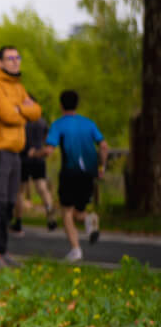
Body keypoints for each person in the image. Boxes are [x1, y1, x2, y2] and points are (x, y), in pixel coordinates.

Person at [0, 46, 40, 266]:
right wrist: (21, 110)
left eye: (18, 57)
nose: (15, 62)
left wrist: (19, 110)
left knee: (9, 202)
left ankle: (2, 249)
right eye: (10, 58)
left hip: (15, 150)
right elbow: (7, 115)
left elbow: (36, 112)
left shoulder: (18, 86)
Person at [45, 90, 109, 262]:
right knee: (78, 211)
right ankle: (90, 218)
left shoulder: (58, 125)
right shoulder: (89, 124)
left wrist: (36, 154)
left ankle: (75, 250)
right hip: (88, 173)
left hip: (69, 172)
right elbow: (103, 146)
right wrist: (101, 168)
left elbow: (49, 149)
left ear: (60, 105)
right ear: (77, 104)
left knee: (66, 212)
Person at [14, 113, 55, 233]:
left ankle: (18, 221)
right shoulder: (42, 122)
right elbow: (48, 139)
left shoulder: (21, 121)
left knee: (20, 192)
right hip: (39, 158)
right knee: (42, 188)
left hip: (23, 158)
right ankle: (50, 217)